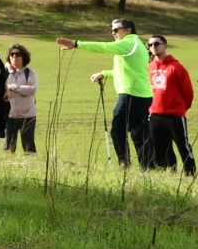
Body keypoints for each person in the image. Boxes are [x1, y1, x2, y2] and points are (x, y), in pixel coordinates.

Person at [57, 17, 153, 168]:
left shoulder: (128, 43)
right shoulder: (136, 44)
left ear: (128, 30)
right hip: (143, 95)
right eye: (111, 30)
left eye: (116, 30)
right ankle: (148, 168)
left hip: (131, 94)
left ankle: (124, 165)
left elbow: (104, 47)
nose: (113, 33)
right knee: (139, 134)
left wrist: (77, 44)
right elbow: (127, 71)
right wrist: (105, 73)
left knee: (117, 131)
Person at [146, 35, 196, 175]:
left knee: (183, 146)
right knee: (158, 148)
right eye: (150, 45)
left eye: (157, 44)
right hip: (155, 115)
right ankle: (165, 174)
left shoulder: (176, 67)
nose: (153, 47)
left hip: (174, 115)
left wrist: (179, 108)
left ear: (165, 46)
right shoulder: (150, 67)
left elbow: (188, 93)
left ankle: (190, 175)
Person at [3, 44, 37, 154]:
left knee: (29, 147)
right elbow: (2, 92)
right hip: (9, 115)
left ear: (24, 57)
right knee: (8, 148)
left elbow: (32, 90)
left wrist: (14, 87)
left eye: (18, 54)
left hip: (27, 115)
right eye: (12, 54)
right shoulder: (4, 72)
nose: (14, 57)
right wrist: (23, 91)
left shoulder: (30, 73)